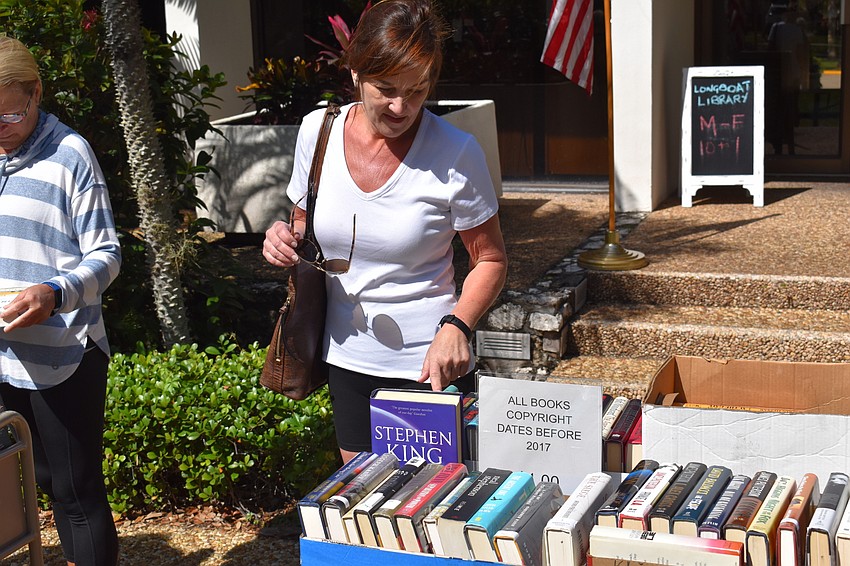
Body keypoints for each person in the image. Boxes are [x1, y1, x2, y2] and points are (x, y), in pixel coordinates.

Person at [263, 0, 507, 464]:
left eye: (417, 91)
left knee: (432, 510)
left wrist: (457, 326)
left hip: (429, 365)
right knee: (364, 506)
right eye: (386, 89)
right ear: (355, 72)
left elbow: (491, 260)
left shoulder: (456, 152)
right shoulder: (318, 132)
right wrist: (282, 237)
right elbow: (302, 224)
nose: (401, 106)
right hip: (347, 360)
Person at [0, 36, 121, 566]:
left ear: (36, 92)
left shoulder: (69, 154)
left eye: (9, 114)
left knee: (74, 493)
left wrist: (55, 292)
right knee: (29, 480)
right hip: (4, 355)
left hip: (63, 352)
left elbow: (108, 255)